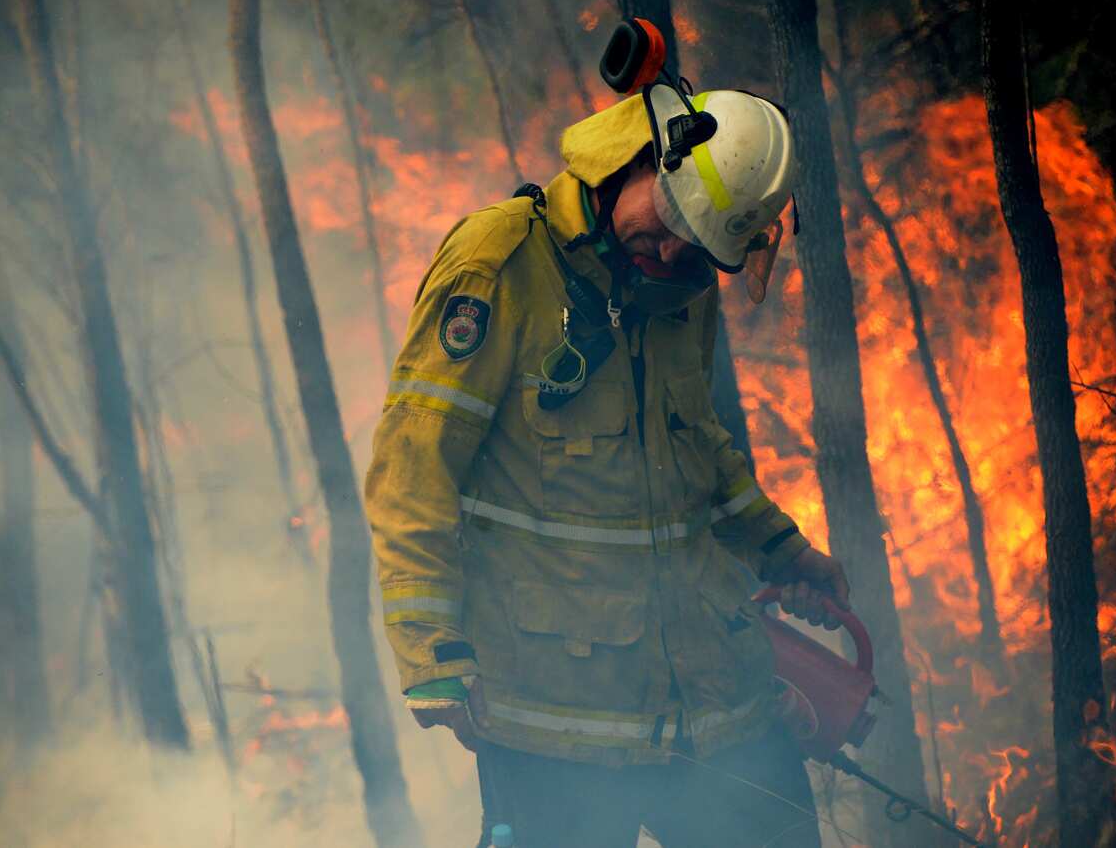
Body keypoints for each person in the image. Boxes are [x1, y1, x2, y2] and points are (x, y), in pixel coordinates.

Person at [364, 83, 850, 847]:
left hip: (711, 703)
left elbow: (696, 445)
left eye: (698, 246)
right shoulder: (500, 262)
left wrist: (780, 547)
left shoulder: (681, 288)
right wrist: (430, 648)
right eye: (671, 220)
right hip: (556, 722)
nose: (671, 253)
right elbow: (413, 459)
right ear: (645, 159)